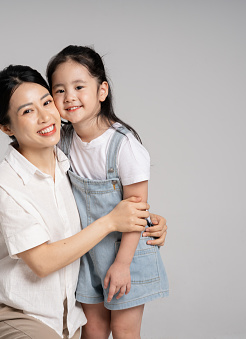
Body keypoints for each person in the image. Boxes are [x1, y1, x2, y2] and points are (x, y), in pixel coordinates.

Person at [0, 65, 168, 339]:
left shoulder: (67, 162)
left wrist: (145, 221)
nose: (44, 116)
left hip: (65, 320)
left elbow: (103, 200)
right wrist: (111, 222)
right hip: (12, 312)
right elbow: (43, 262)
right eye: (27, 111)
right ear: (5, 127)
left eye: (46, 102)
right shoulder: (5, 182)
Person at [47, 45, 169, 339]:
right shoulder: (62, 142)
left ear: (102, 90)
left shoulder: (124, 146)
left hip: (125, 250)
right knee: (93, 331)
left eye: (79, 86)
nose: (69, 97)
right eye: (59, 90)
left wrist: (123, 264)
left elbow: (136, 210)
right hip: (88, 254)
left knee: (124, 331)